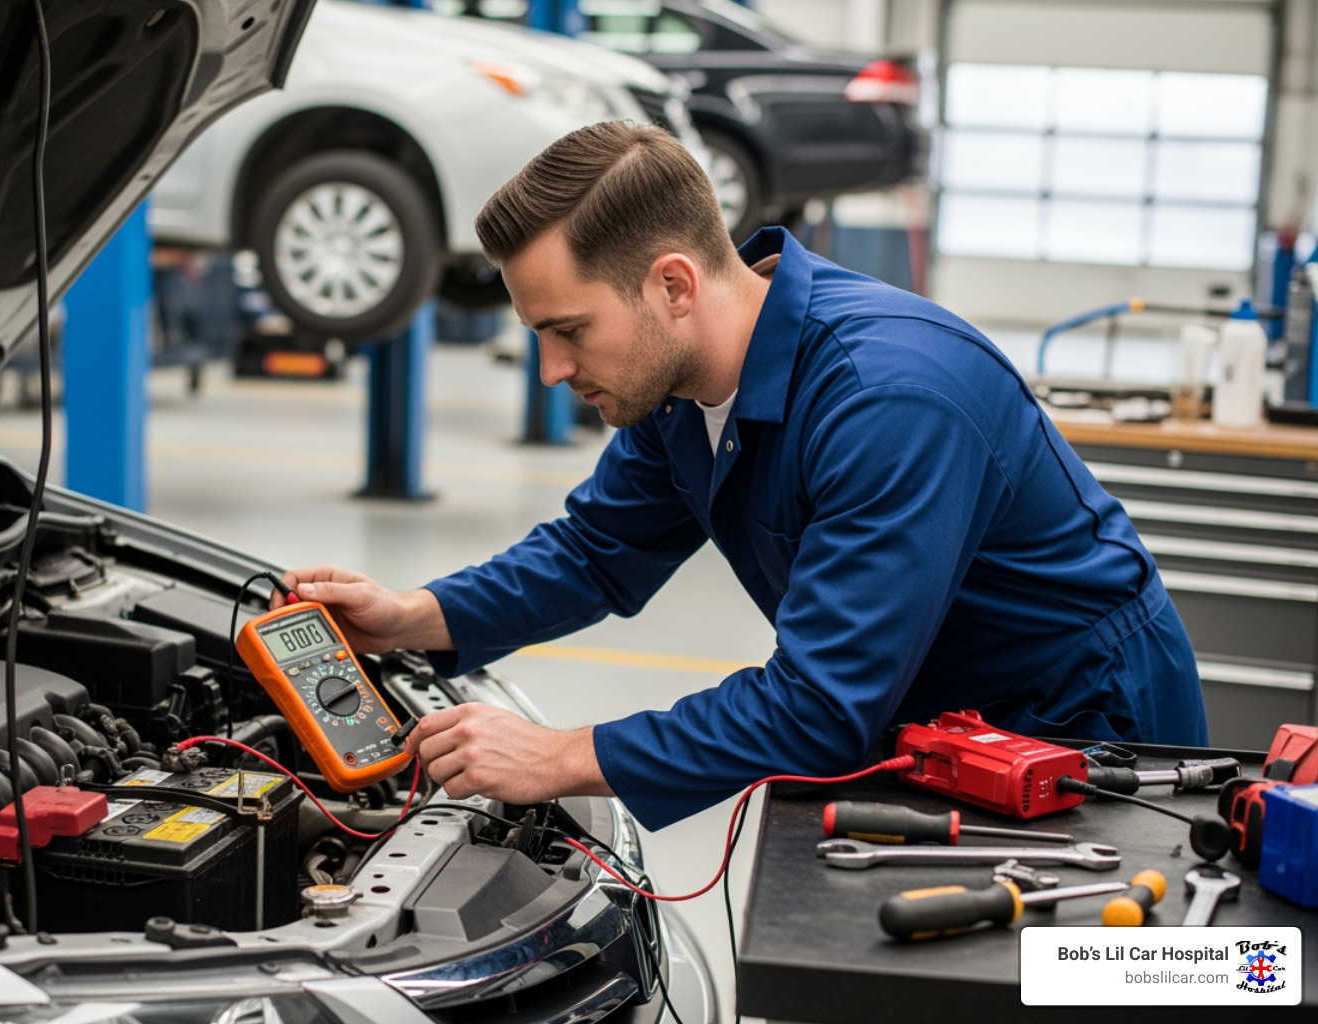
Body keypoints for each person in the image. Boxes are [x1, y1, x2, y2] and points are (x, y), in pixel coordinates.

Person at [276, 121, 1208, 831]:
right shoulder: (679, 385)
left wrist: (563, 755)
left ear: (673, 285)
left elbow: (816, 707)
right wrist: (415, 617)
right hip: (923, 715)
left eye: (569, 330)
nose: (554, 372)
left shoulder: (891, 402)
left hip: (1082, 728)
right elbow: (597, 554)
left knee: (1076, 981)